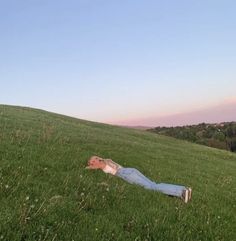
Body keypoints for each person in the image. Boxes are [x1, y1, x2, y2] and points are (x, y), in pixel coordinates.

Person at [86, 156, 192, 203]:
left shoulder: (102, 164)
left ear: (96, 160)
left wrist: (90, 166)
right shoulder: (107, 160)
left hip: (126, 174)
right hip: (130, 170)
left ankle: (181, 192)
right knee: (153, 184)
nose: (93, 162)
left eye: (93, 160)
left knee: (152, 187)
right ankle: (184, 189)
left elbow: (93, 167)